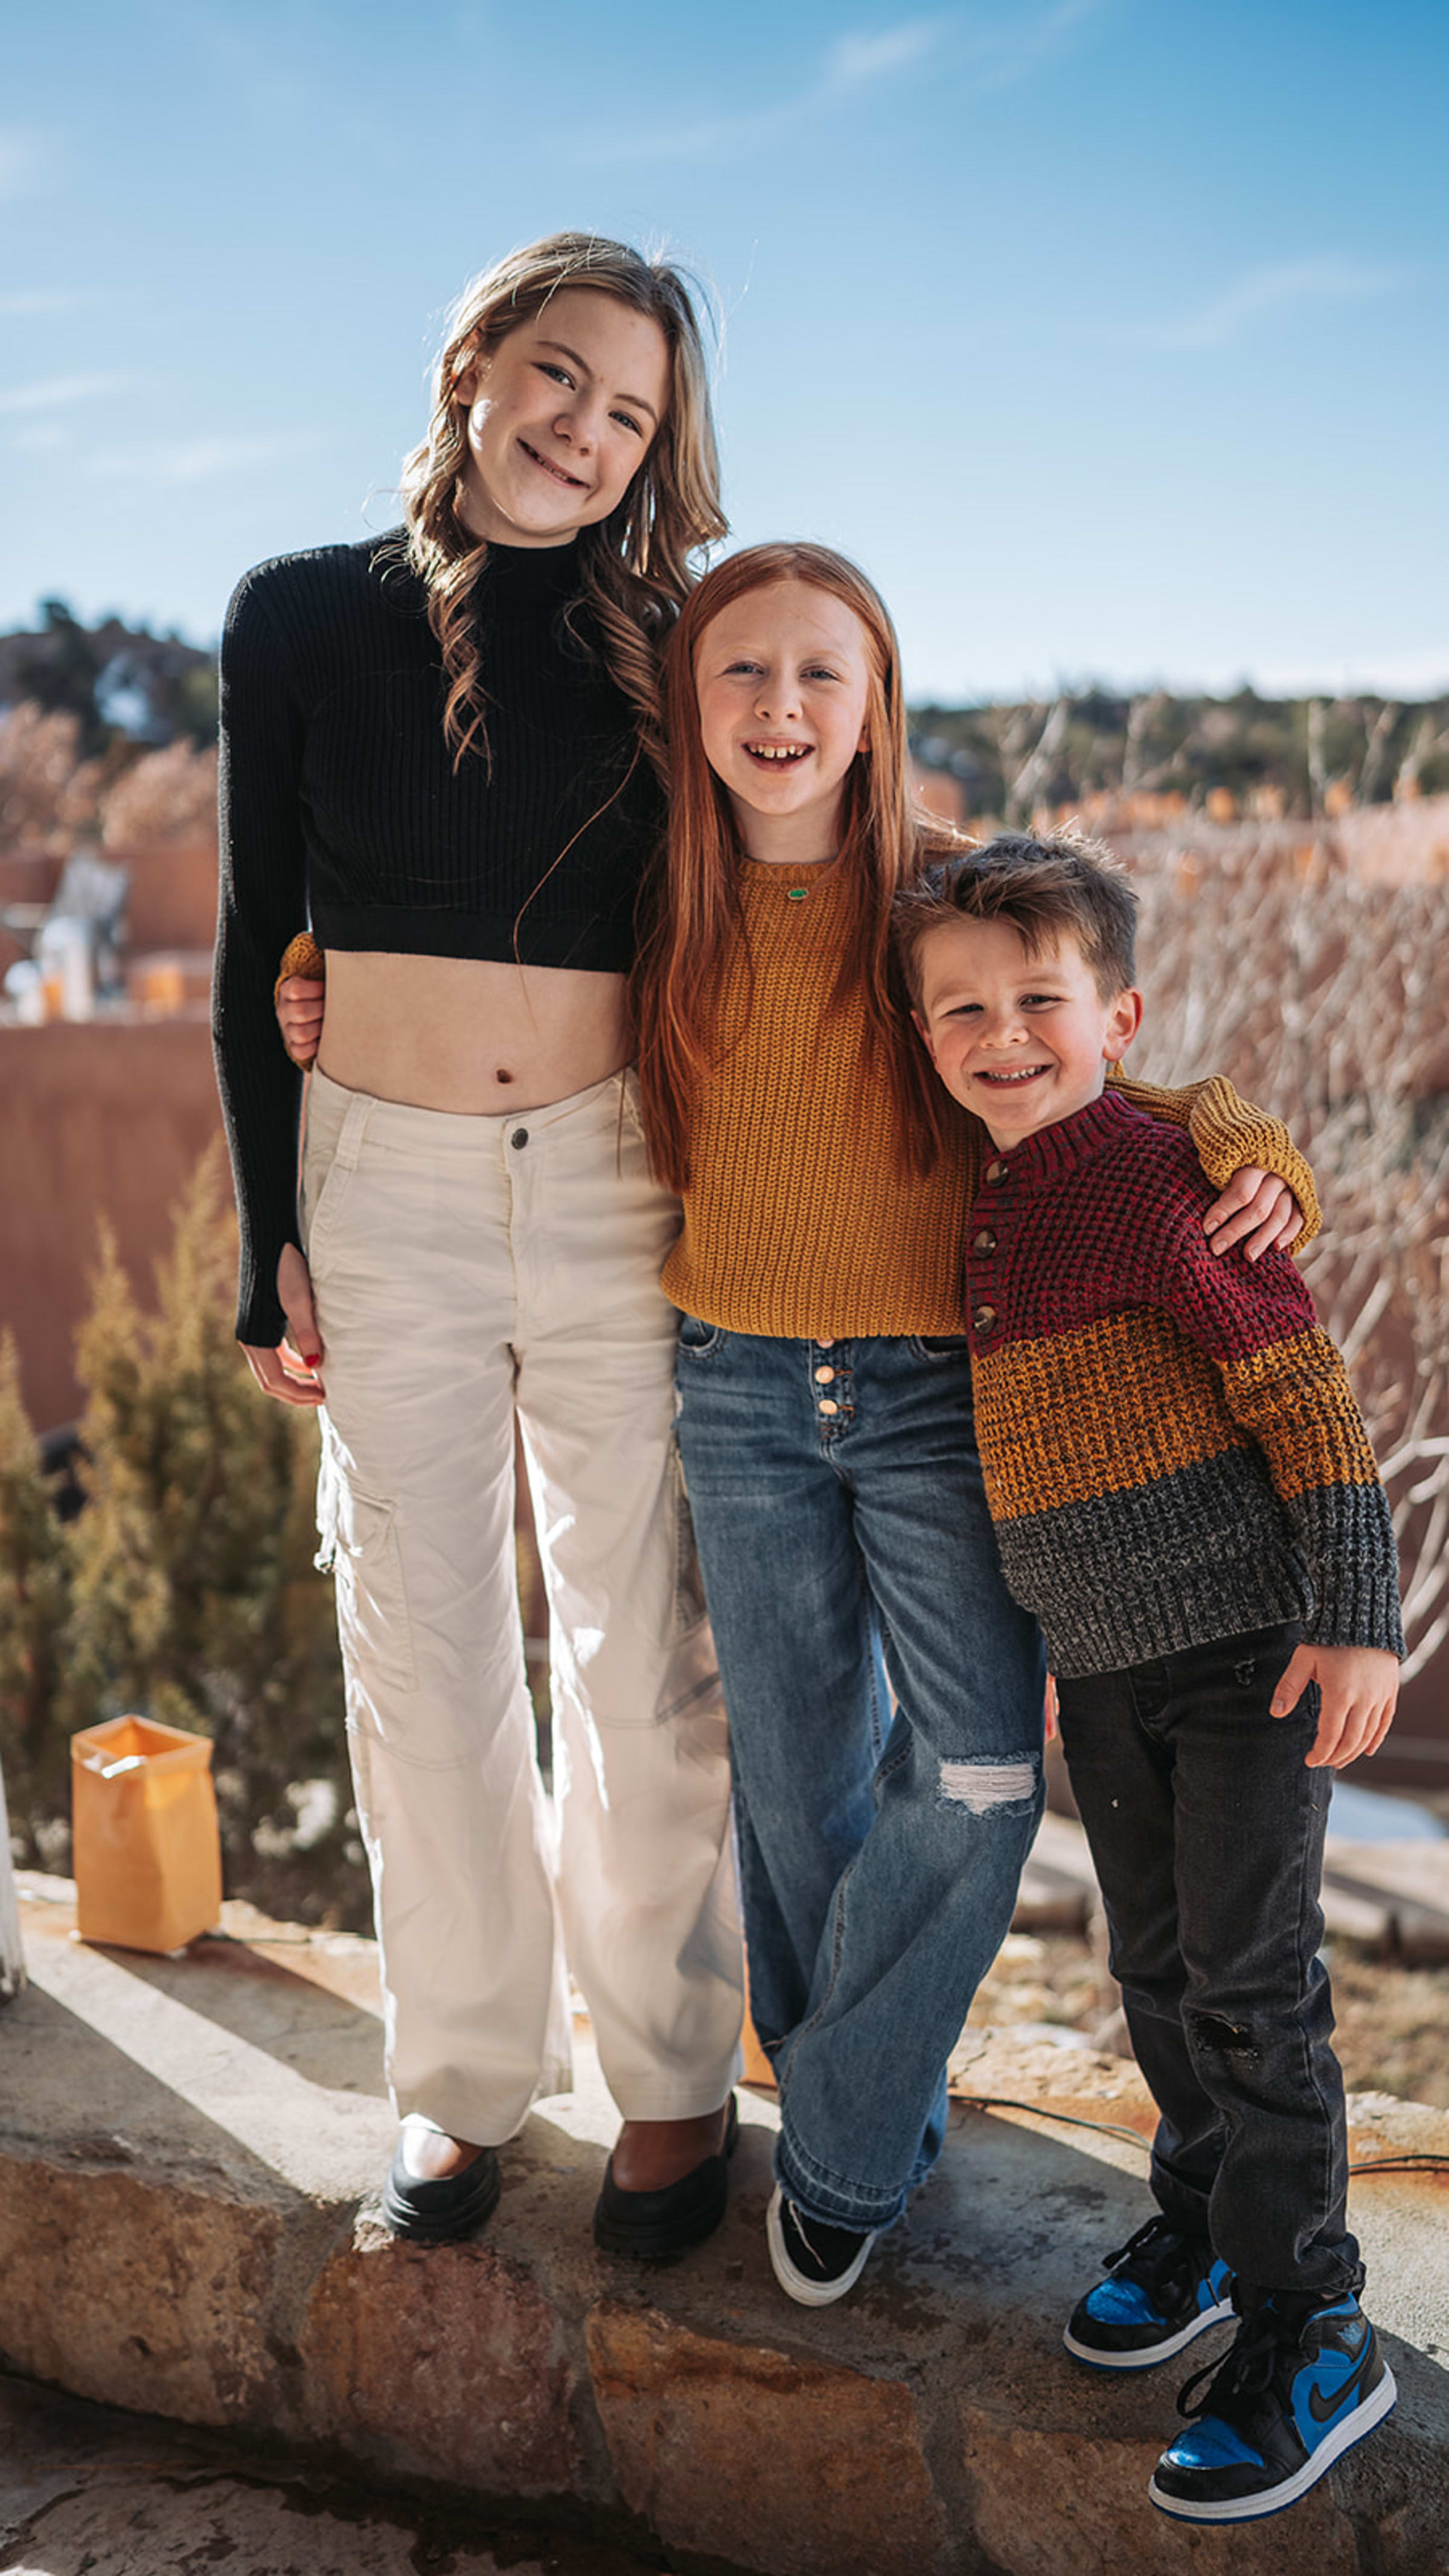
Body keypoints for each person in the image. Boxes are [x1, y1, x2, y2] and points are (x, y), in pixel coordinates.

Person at [626, 542, 1318, 2310]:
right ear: (689, 699)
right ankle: (868, 2127)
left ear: (877, 703)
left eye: (822, 676)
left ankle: (841, 2130)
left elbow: (1101, 1060)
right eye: (744, 672)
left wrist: (1248, 1141)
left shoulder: (937, 893)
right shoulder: (652, 894)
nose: (782, 711)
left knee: (984, 1766)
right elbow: (466, 958)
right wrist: (317, 966)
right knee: (794, 1787)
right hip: (737, 1385)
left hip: (946, 1387)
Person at [214, 232, 743, 2260]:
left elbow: (806, 863)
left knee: (643, 1641)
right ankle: (457, 2084)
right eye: (559, 378)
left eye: (630, 416)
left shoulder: (672, 635)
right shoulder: (295, 614)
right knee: (423, 1644)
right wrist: (272, 1231)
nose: (585, 434)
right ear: (472, 365)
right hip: (386, 1183)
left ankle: (673, 2080)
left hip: (624, 1178)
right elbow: (263, 923)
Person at [895, 829, 1401, 2524]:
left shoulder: (1168, 1176)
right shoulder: (998, 1193)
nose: (1001, 1034)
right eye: (959, 1007)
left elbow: (1310, 1396)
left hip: (1249, 1655)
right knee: (1161, 1963)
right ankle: (1202, 2208)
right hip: (1104, 1673)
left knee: (1256, 1984)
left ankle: (1312, 2317)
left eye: (1040, 999)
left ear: (1117, 1011)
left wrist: (1355, 1609)